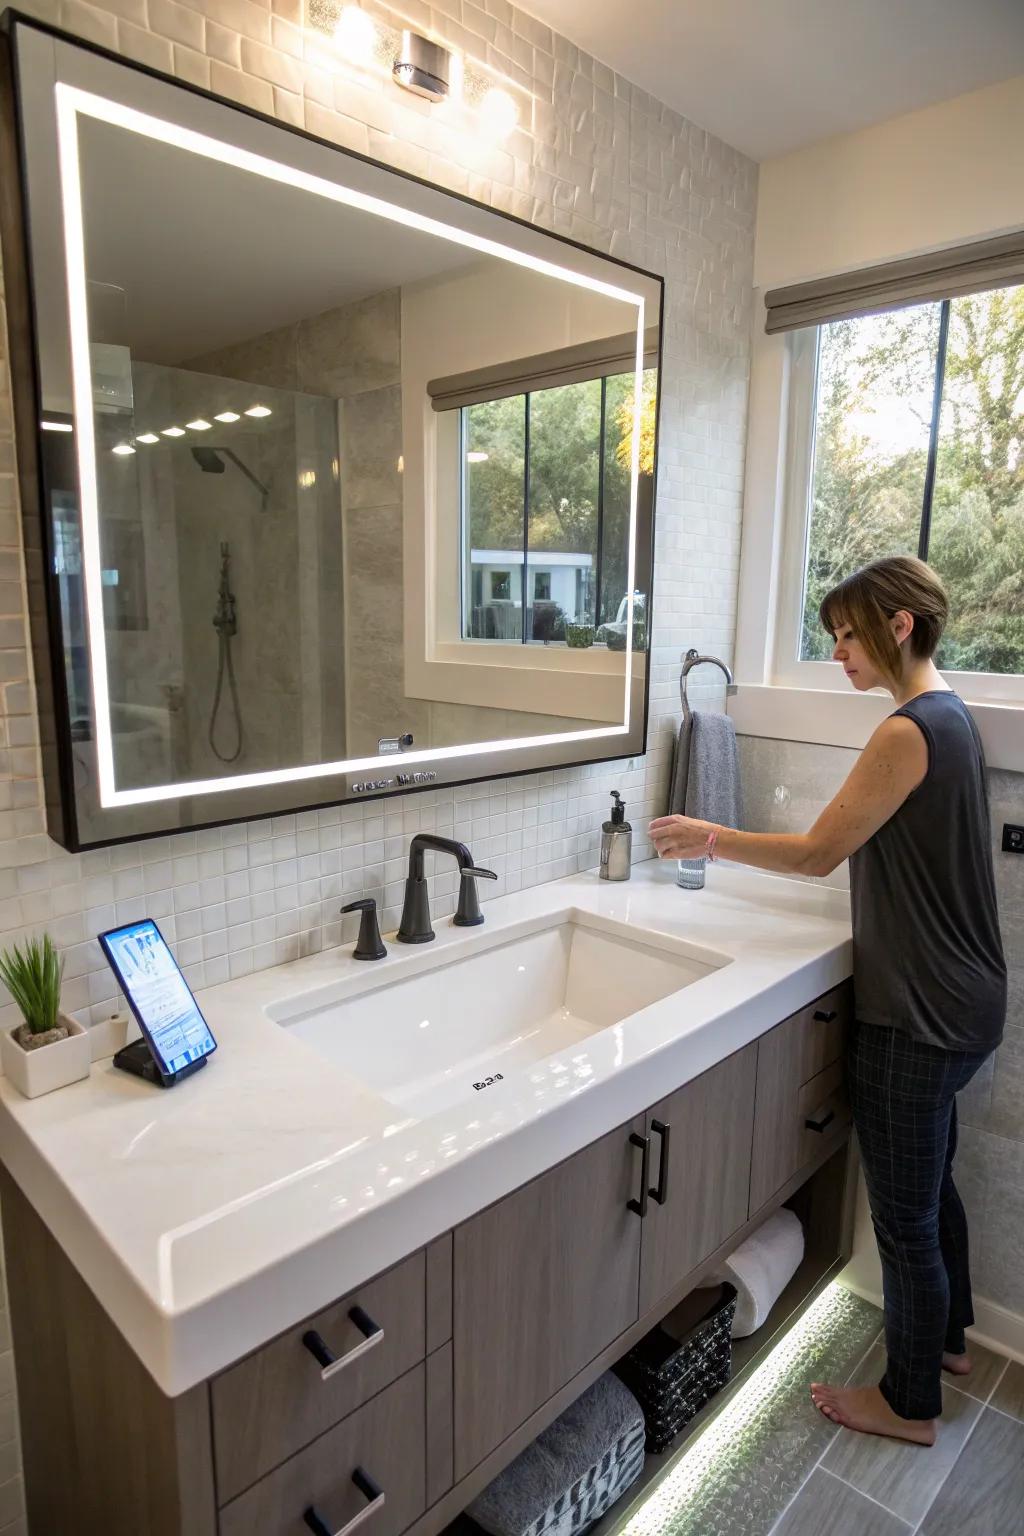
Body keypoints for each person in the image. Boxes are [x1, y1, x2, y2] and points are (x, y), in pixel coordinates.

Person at [649, 555, 1006, 1447]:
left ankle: (910, 1401)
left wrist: (709, 837)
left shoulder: (906, 731)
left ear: (897, 627)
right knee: (933, 1189)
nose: (838, 650)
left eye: (849, 633)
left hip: (916, 1015)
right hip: (968, 1002)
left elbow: (816, 855)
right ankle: (951, 1340)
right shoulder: (952, 716)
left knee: (904, 1218)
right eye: (833, 635)